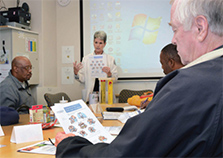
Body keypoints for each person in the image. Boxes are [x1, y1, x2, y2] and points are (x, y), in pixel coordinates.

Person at [55, 0, 223, 157]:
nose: (173, 40)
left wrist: (69, 146)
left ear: (200, 28)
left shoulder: (188, 86)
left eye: (174, 30)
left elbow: (125, 153)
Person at [73, 31, 118, 102]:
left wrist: (109, 74)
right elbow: (83, 79)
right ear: (93, 42)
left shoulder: (110, 59)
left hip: (105, 96)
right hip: (90, 95)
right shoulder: (86, 58)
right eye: (96, 42)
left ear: (105, 44)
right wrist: (76, 73)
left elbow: (115, 79)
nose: (98, 45)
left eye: (100, 43)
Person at [140, 43, 184, 109]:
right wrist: (153, 103)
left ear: (171, 63)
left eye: (162, 63)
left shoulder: (168, 85)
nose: (162, 67)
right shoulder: (192, 79)